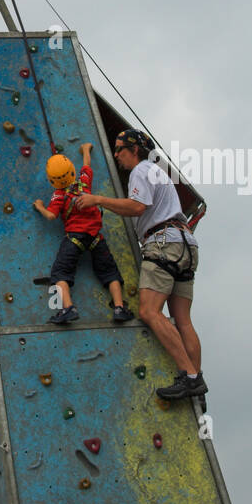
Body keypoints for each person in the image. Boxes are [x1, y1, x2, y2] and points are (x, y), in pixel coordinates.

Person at [71, 129, 207, 400]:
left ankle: (189, 377)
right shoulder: (158, 172)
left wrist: (97, 199)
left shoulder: (141, 171)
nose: (116, 155)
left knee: (148, 311)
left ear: (134, 150)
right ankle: (197, 380)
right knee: (183, 321)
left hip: (163, 243)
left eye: (120, 149)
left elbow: (136, 207)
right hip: (185, 244)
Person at [33, 142, 134, 325]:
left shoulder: (58, 195)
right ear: (72, 170)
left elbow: (51, 216)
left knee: (60, 272)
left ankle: (68, 308)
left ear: (51, 180)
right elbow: (87, 165)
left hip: (74, 239)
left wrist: (40, 207)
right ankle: (119, 308)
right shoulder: (84, 184)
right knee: (110, 272)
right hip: (96, 238)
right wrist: (86, 149)